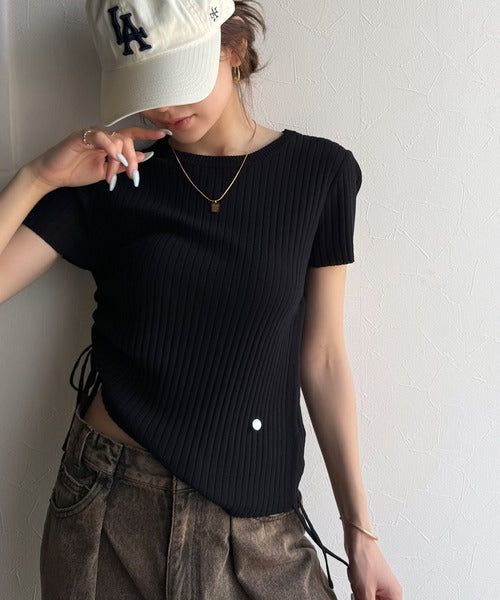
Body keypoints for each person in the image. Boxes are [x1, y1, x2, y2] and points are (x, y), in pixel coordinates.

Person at [0, 0, 403, 598]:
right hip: (111, 507)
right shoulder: (112, 176)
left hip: (258, 525)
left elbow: (321, 358)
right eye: (147, 84)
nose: (165, 107)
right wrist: (39, 176)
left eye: (178, 76)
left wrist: (360, 535)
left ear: (235, 47)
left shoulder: (319, 174)